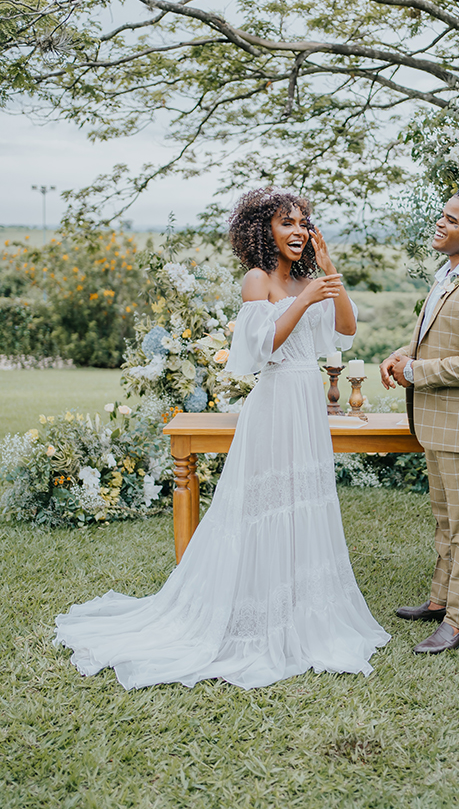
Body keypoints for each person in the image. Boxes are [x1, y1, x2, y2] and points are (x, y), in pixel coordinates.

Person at [55, 188, 389, 689]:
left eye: (304, 223)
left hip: (307, 404)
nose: (297, 231)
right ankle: (254, 613)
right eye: (286, 223)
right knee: (264, 505)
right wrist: (304, 302)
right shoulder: (256, 279)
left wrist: (327, 270)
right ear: (264, 231)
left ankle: (302, 610)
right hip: (275, 402)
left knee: (305, 500)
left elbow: (346, 330)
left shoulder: (311, 278)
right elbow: (261, 346)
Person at [380, 188, 459, 654]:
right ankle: (439, 601)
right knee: (444, 521)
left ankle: (458, 622)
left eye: (451, 220)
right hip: (438, 423)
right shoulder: (449, 274)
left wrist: (414, 372)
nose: (440, 224)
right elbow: (439, 337)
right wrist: (405, 353)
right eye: (442, 215)